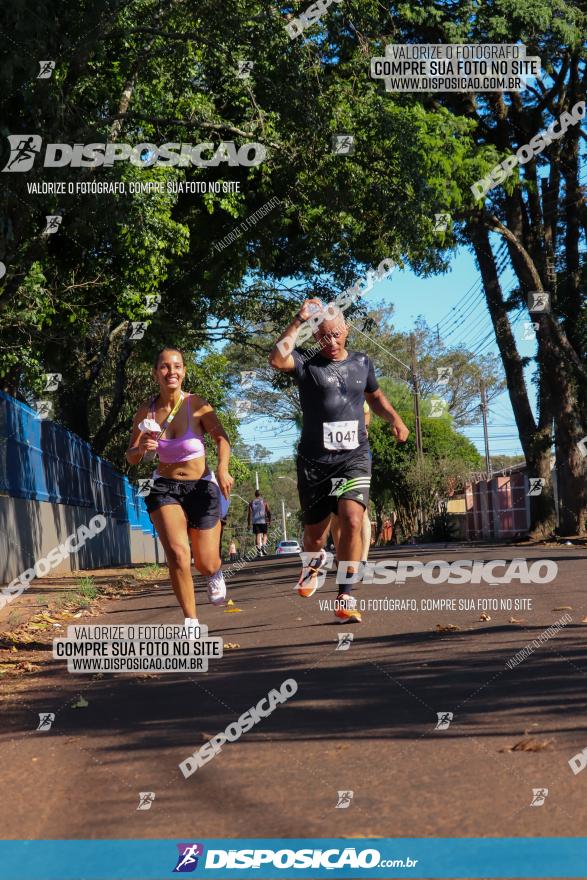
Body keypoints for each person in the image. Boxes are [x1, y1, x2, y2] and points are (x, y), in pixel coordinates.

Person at [269, 300, 409, 621]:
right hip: (315, 462)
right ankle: (313, 564)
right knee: (315, 536)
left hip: (354, 457)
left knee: (352, 519)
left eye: (335, 335)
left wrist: (395, 420)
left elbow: (375, 398)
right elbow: (277, 359)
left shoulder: (362, 362)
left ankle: (345, 594)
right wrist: (298, 320)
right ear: (314, 337)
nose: (330, 342)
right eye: (322, 337)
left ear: (346, 330)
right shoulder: (306, 362)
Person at [126, 347, 234, 635]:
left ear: (184, 371)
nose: (171, 371)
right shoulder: (145, 411)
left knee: (206, 562)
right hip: (164, 487)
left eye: (177, 366)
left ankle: (214, 572)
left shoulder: (197, 405)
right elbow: (131, 456)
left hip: (201, 487)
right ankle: (191, 621)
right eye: (164, 366)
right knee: (177, 554)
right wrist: (142, 448)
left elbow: (222, 439)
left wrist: (223, 469)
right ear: (155, 373)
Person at [330, 401, 372, 567]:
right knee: (336, 513)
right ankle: (342, 557)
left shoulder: (357, 390)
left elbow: (368, 411)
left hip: (358, 459)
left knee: (363, 511)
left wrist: (365, 428)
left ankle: (363, 560)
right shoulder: (325, 391)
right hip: (334, 462)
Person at [247, 489, 272, 556]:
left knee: (257, 535)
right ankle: (263, 546)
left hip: (255, 521)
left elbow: (249, 514)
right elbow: (268, 512)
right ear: (260, 495)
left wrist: (249, 524)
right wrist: (270, 521)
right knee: (265, 534)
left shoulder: (251, 502)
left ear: (255, 495)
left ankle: (258, 550)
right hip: (263, 521)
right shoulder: (264, 502)